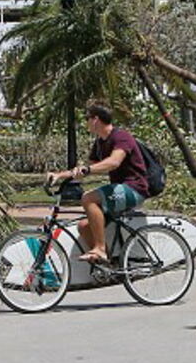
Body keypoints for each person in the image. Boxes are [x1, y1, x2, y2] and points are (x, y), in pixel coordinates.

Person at [48, 101, 148, 263]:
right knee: (84, 226)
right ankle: (109, 265)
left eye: (87, 118)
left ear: (95, 119)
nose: (86, 122)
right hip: (119, 190)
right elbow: (87, 168)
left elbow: (114, 162)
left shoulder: (121, 137)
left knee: (88, 198)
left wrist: (87, 170)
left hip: (135, 189)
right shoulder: (100, 143)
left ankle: (100, 249)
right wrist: (59, 175)